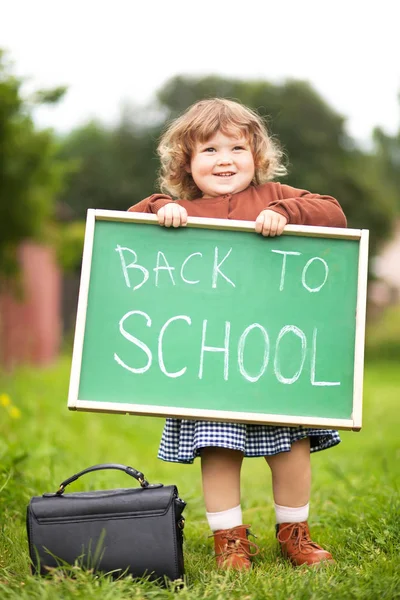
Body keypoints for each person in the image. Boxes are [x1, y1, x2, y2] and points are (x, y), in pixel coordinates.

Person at [128, 98, 346, 571]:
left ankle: (296, 535)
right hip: (213, 364)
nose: (224, 159)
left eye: (236, 148)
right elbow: (128, 234)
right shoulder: (181, 211)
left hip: (274, 358)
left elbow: (333, 213)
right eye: (208, 150)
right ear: (185, 162)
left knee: (291, 448)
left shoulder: (275, 198)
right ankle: (229, 542)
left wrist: (287, 212)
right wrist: (160, 208)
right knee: (219, 449)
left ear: (257, 156)